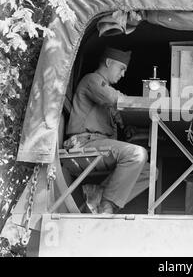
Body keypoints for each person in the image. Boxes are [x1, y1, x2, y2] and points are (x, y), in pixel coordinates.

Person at [64, 47, 156, 214]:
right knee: (136, 154)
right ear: (108, 62)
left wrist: (130, 128)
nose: (123, 75)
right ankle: (106, 204)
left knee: (150, 171)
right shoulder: (92, 80)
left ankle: (97, 195)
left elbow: (117, 115)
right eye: (121, 69)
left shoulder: (102, 89)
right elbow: (115, 99)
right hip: (85, 143)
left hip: (100, 146)